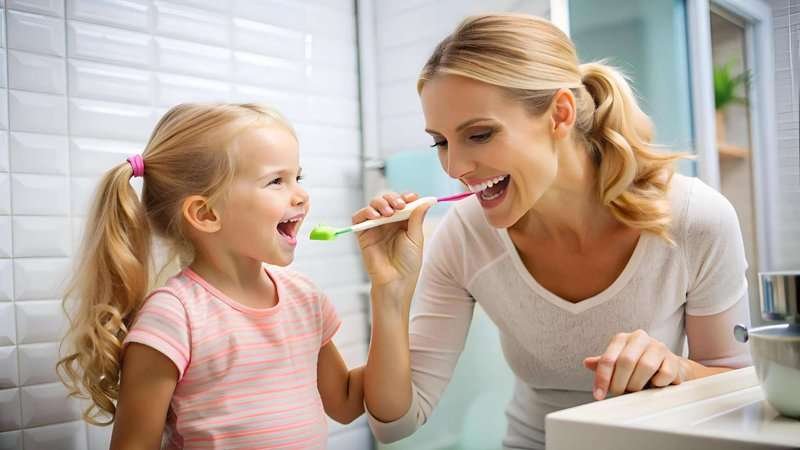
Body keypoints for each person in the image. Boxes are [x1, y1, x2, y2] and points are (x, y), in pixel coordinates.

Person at [354, 14, 751, 449]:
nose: (454, 168)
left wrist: (678, 370)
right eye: (441, 142)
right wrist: (389, 292)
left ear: (559, 115)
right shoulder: (463, 237)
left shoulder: (695, 218)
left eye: (480, 135)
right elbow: (394, 425)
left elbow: (736, 385)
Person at [58, 103, 364, 449]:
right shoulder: (174, 316)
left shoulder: (305, 298)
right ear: (205, 213)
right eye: (276, 180)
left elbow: (347, 401)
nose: (302, 195)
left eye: (298, 177)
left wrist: (393, 291)